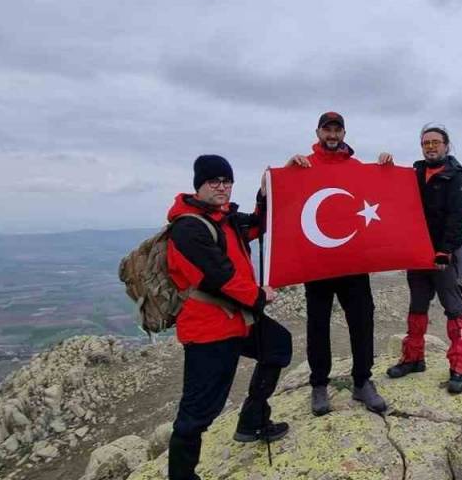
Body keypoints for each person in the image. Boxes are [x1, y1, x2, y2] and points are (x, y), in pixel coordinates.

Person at [166, 154, 292, 480]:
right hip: (208, 330)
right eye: (214, 181)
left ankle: (252, 421)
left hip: (237, 319)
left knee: (278, 345)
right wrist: (258, 296)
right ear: (199, 185)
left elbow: (261, 225)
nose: (222, 187)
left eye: (227, 181)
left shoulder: (225, 219)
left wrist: (265, 193)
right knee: (198, 412)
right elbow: (217, 278)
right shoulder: (187, 228)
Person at [286, 111, 389, 415]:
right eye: (327, 130)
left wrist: (386, 170)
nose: (332, 135)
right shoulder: (303, 166)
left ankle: (362, 381)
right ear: (318, 132)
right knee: (317, 324)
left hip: (353, 263)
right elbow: (280, 202)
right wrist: (285, 173)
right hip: (317, 263)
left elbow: (382, 196)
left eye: (337, 130)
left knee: (362, 320)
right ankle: (319, 385)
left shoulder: (356, 168)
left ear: (344, 133)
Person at [384, 124, 462, 394]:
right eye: (426, 143)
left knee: (453, 309)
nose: (431, 147)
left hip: (445, 255)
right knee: (417, 306)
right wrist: (385, 168)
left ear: (446, 145)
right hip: (418, 253)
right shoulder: (415, 174)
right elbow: (393, 195)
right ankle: (413, 358)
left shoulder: (456, 177)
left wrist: (444, 251)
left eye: (436, 142)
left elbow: (456, 217)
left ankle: (459, 366)